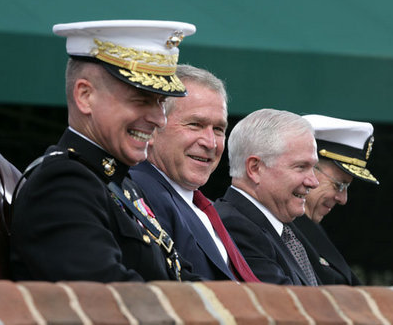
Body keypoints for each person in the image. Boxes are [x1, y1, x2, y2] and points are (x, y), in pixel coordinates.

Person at [10, 20, 200, 282]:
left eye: (161, 102)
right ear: (85, 96)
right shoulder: (63, 186)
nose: (160, 119)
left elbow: (180, 277)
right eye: (142, 100)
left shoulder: (118, 181)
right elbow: (109, 300)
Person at [130, 65, 259, 282]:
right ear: (153, 128)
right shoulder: (139, 192)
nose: (210, 143)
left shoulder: (202, 206)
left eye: (218, 129)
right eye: (195, 125)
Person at [215, 109, 320, 285]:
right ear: (255, 168)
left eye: (313, 168)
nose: (314, 182)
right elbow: (287, 307)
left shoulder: (283, 229)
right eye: (301, 167)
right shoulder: (235, 227)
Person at [293, 114, 379, 285]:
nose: (343, 199)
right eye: (339, 185)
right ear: (307, 168)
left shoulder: (307, 228)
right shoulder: (281, 230)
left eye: (347, 187)